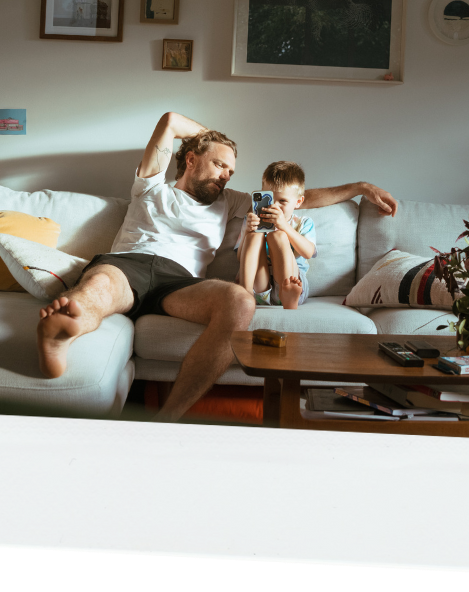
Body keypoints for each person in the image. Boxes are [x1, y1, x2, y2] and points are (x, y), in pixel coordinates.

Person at [36, 112, 398, 422]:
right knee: (99, 286)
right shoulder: (150, 187)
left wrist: (360, 188)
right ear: (191, 158)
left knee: (241, 301)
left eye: (231, 170)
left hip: (180, 282)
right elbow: (171, 121)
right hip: (127, 265)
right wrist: (214, 139)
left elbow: (297, 198)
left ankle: (167, 418)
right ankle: (67, 326)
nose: (226, 175)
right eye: (219, 164)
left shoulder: (229, 201)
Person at [235, 161, 315, 310]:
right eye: (270, 199)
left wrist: (284, 227)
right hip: (259, 286)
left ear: (298, 202)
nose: (275, 206)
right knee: (255, 235)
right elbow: (240, 257)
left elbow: (308, 253)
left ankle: (288, 299)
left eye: (283, 201)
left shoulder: (303, 223)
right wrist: (247, 232)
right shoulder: (251, 219)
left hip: (290, 282)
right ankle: (245, 294)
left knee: (277, 235)